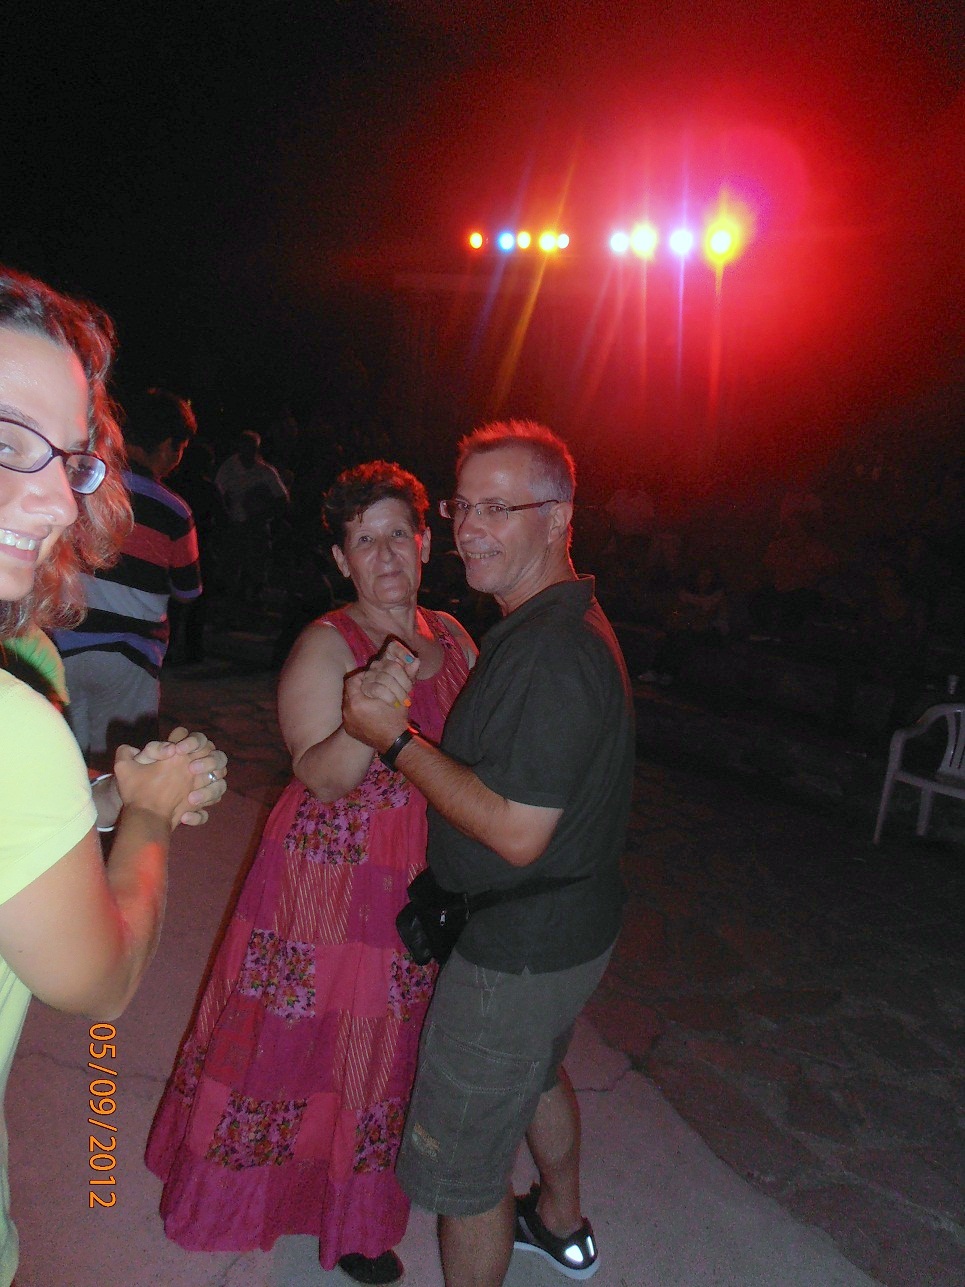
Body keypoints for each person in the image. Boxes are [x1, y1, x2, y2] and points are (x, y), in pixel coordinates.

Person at [145, 461, 476, 1285]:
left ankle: (355, 1221)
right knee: (293, 1046)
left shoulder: (454, 638)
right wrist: (370, 717)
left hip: (421, 885)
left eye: (398, 533)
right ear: (341, 560)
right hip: (325, 890)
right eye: (364, 540)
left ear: (425, 541)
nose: (385, 554)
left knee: (383, 1054)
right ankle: (239, 1198)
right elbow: (321, 776)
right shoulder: (329, 643)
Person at [342, 421, 635, 1287]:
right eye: (463, 506)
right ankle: (562, 1223)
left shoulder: (550, 650)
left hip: (516, 953)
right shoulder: (550, 622)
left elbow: (513, 829)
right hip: (562, 930)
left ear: (559, 517)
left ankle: (534, 1229)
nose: (469, 528)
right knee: (536, 1074)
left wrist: (391, 737)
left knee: (464, 1177)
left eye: (498, 508)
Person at [0, 265, 228, 1287]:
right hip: (124, 668)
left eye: (70, 457)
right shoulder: (13, 729)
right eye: (6, 440)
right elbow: (99, 981)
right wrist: (149, 816)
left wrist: (94, 797)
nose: (59, 498)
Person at [52, 387, 203, 769]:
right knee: (122, 770)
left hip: (62, 647)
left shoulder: (83, 488)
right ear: (168, 446)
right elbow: (188, 590)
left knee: (64, 763)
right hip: (130, 658)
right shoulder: (174, 511)